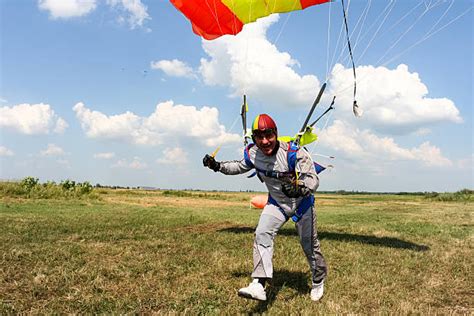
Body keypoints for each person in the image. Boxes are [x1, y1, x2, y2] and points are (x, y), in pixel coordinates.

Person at [203, 114, 327, 302]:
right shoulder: (253, 153)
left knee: (309, 244)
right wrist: (217, 166)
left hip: (302, 204)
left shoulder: (293, 152)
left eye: (269, 135)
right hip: (277, 204)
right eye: (259, 137)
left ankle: (318, 280)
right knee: (262, 233)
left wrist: (299, 187)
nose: (265, 141)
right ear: (254, 139)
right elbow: (239, 166)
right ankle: (259, 284)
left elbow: (312, 179)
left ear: (276, 134)